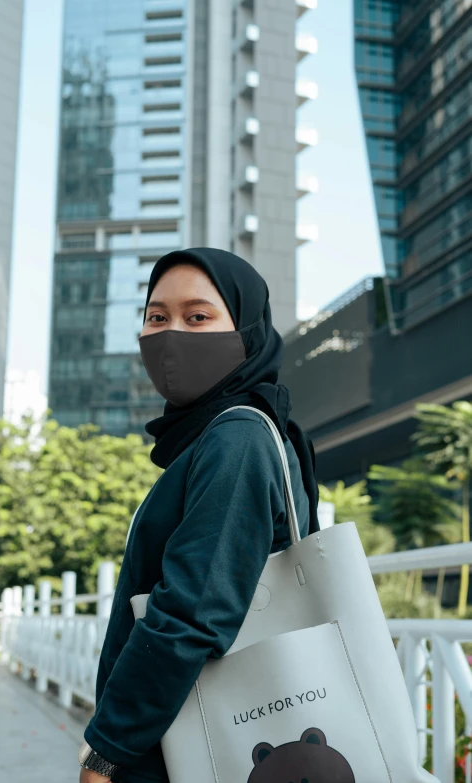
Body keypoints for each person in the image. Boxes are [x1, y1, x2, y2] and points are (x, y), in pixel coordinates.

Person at [78, 248, 320, 783]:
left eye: (198, 316)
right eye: (157, 317)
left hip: (187, 750)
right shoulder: (219, 437)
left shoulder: (237, 437)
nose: (172, 335)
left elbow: (191, 610)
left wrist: (107, 749)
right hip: (190, 736)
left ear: (247, 330)